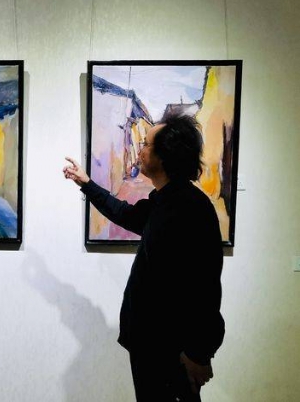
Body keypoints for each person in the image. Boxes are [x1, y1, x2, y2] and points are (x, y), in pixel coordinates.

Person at [63, 115, 224, 402]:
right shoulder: (164, 200)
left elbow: (205, 288)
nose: (140, 149)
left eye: (146, 144)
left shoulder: (190, 209)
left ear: (165, 155)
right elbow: (124, 213)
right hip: (151, 345)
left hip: (171, 349)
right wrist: (85, 183)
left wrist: (198, 353)